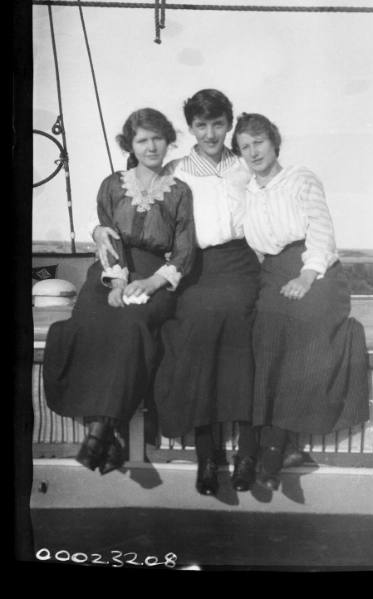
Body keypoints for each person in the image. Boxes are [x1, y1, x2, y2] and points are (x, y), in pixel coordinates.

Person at [94, 90, 261, 496]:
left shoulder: (247, 165)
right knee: (195, 337)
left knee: (246, 338)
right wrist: (99, 229)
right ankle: (208, 458)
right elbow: (129, 210)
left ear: (228, 124)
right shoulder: (175, 171)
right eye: (201, 126)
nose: (210, 133)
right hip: (194, 268)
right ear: (190, 129)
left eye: (218, 124)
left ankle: (249, 454)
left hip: (240, 265)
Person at [43, 108, 196, 475]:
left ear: (168, 140)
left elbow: (185, 249)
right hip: (110, 272)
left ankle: (101, 431)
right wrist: (117, 281)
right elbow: (108, 236)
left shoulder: (180, 192)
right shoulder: (113, 185)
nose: (151, 146)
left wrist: (152, 282)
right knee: (86, 325)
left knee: (130, 327)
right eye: (142, 139)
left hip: (155, 276)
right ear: (130, 144)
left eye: (158, 138)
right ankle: (106, 434)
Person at [232, 113, 370, 490]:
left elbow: (322, 234)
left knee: (302, 329)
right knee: (262, 335)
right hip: (274, 273)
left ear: (274, 142)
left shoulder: (301, 178)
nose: (253, 151)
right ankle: (258, 450)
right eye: (245, 146)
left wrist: (306, 276)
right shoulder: (245, 191)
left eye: (258, 141)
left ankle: (274, 450)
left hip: (318, 272)